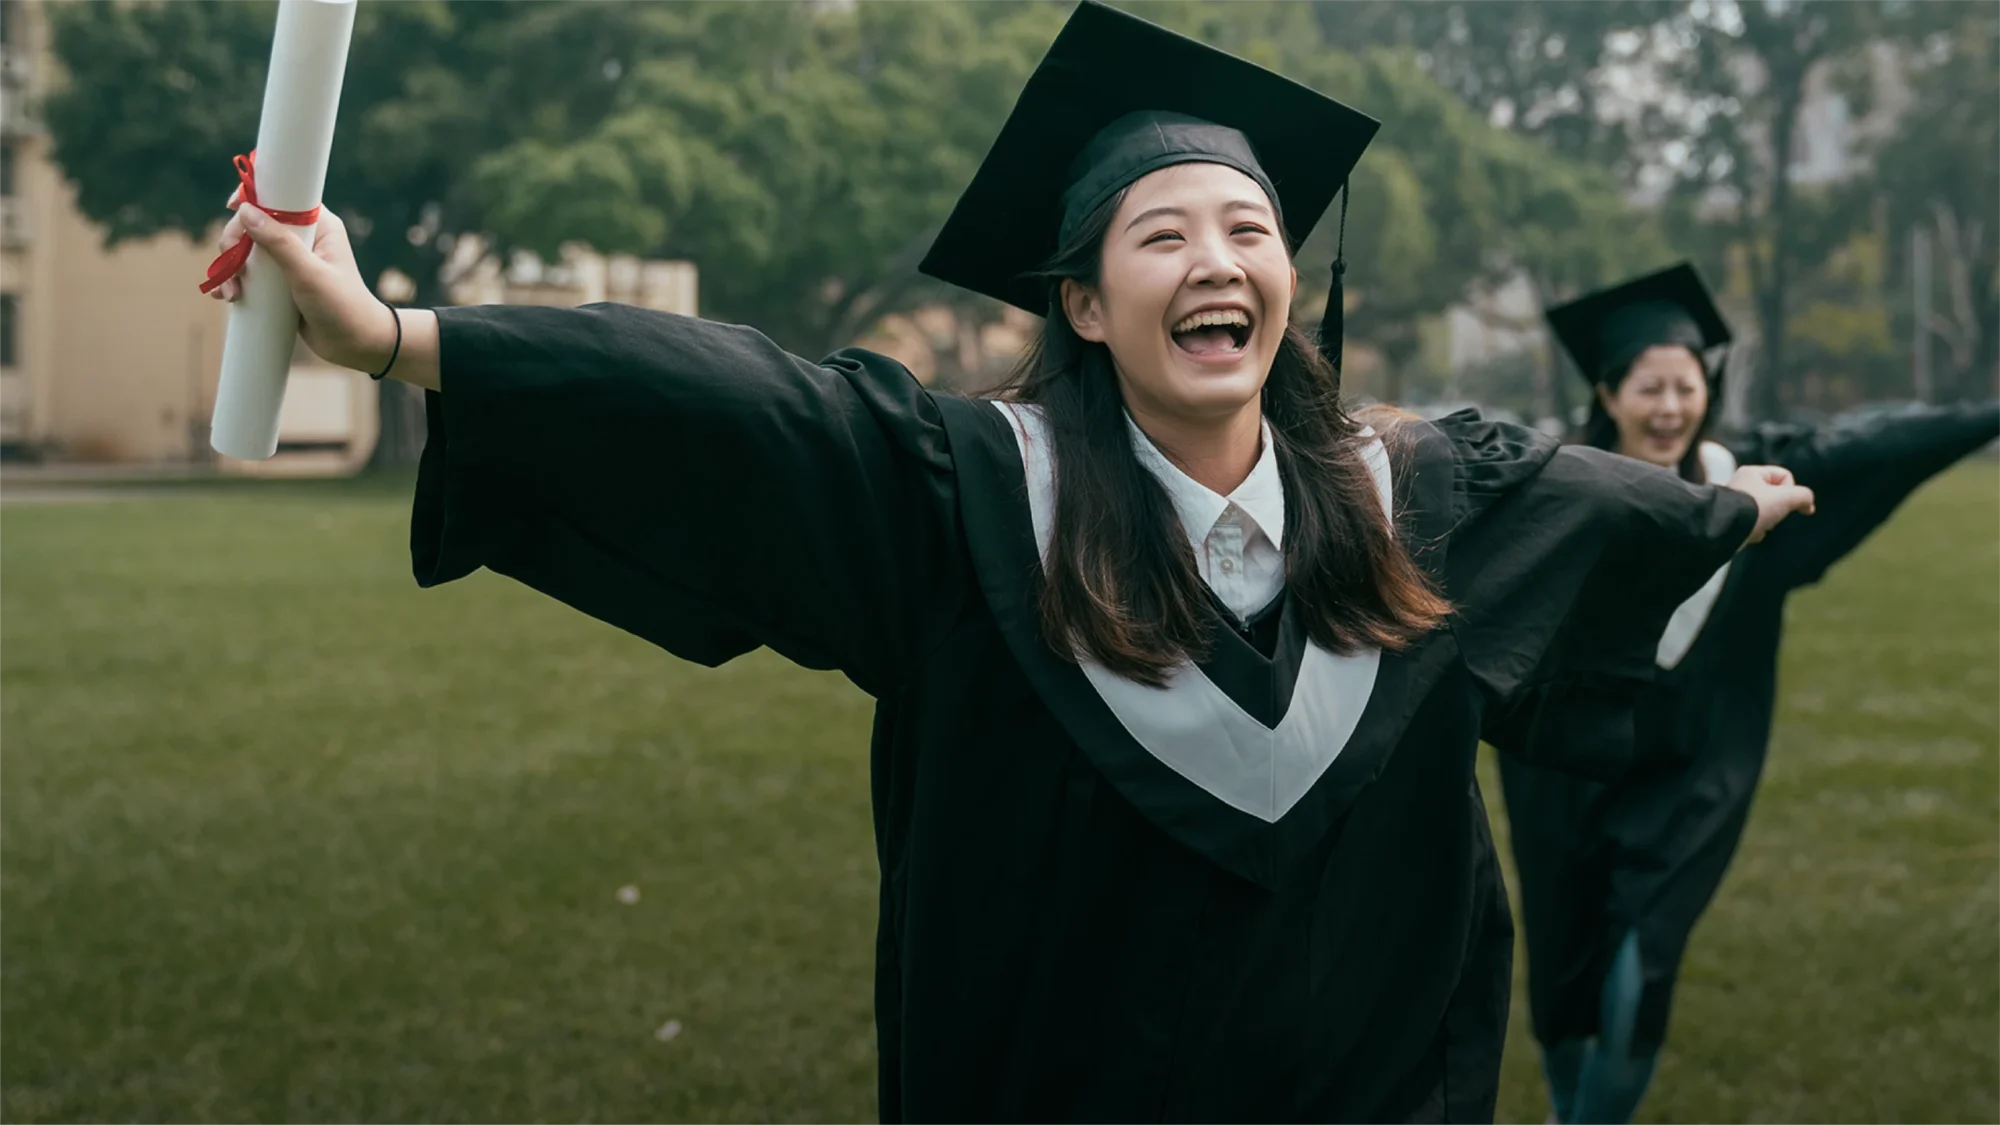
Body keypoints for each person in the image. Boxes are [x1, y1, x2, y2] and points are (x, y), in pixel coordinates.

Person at [209, 5, 1815, 1120]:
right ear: (1088, 309)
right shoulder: (965, 501)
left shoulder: (1425, 504)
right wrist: (398, 335)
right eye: (1164, 233)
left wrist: (1730, 507)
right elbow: (734, 404)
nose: (1220, 259)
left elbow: (1611, 502)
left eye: (1250, 230)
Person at [1495, 261, 2000, 1125]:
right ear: (1608, 394)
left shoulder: (1761, 486)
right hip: (1563, 774)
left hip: (1691, 773)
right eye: (1648, 387)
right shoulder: (1560, 493)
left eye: (1685, 387)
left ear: (1707, 390)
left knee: (1637, 973)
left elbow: (1881, 444)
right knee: (1561, 976)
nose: (1669, 407)